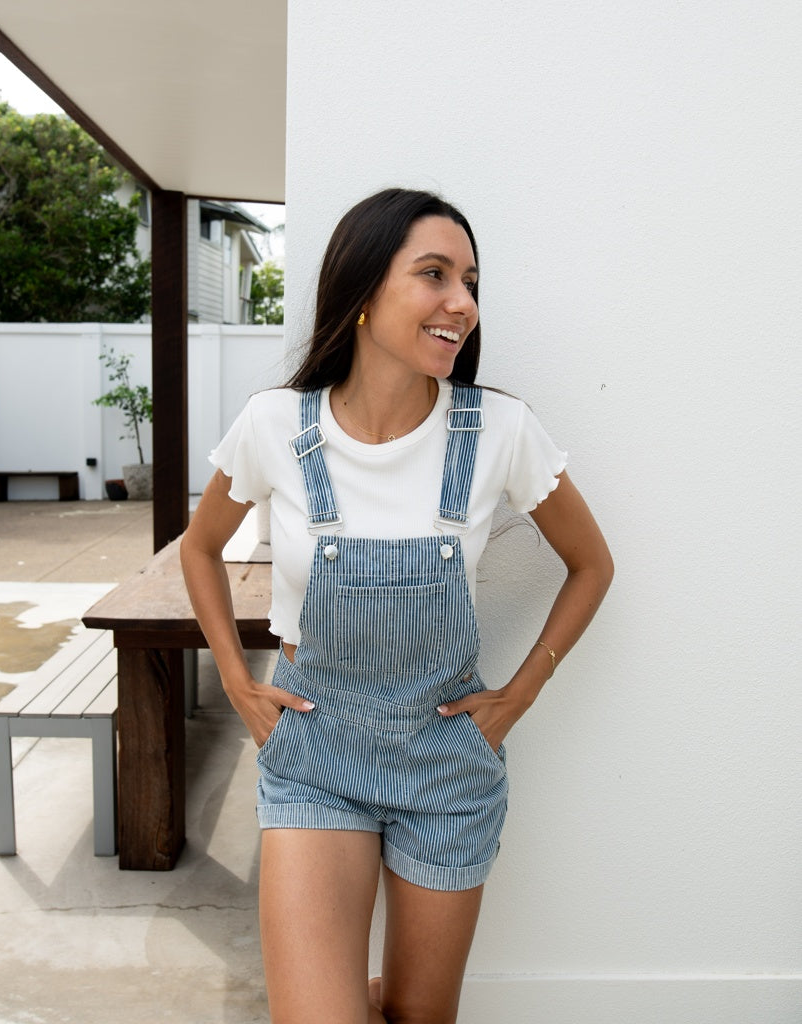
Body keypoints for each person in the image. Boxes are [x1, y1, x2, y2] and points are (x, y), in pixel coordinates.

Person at [180, 187, 613, 1024]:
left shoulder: (498, 432)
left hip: (445, 762)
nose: (463, 303)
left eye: (472, 282)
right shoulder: (275, 427)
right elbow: (199, 548)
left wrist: (519, 695)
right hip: (316, 754)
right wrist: (235, 678)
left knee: (419, 1014)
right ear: (363, 293)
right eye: (435, 274)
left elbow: (591, 565)